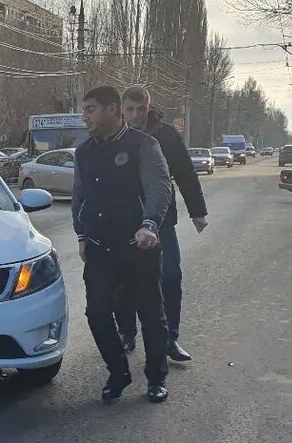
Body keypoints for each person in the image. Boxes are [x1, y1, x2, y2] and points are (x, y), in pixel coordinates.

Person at [72, 84, 173, 404]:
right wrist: (82, 235)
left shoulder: (143, 145)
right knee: (96, 312)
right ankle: (118, 372)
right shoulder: (84, 151)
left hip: (138, 245)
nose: (83, 116)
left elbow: (159, 188)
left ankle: (156, 378)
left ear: (112, 110)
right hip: (101, 247)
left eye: (90, 109)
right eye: (84, 109)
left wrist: (149, 225)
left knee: (151, 314)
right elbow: (79, 197)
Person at [115, 86, 208, 363]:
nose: (135, 115)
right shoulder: (114, 136)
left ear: (149, 106)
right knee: (124, 281)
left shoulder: (167, 135)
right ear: (122, 108)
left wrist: (198, 212)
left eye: (140, 109)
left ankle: (170, 339)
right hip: (123, 221)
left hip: (162, 220)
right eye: (129, 109)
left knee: (170, 277)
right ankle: (127, 333)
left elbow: (186, 174)